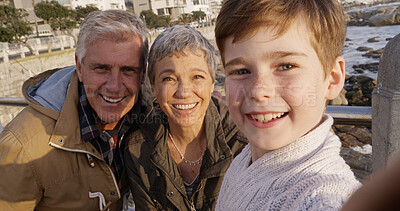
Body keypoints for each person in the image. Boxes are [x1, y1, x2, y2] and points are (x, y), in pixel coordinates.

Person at [214, 0, 361, 210]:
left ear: (333, 78)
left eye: (286, 66)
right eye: (241, 71)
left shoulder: (325, 198)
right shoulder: (246, 158)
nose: (258, 91)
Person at [0, 10, 148, 210]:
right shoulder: (22, 145)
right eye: (101, 68)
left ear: (143, 73)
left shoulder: (147, 117)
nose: (114, 86)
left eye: (128, 70)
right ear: (79, 67)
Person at [124, 25, 247, 210]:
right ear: (153, 86)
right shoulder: (138, 149)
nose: (183, 92)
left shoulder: (244, 140)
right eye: (169, 79)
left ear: (212, 82)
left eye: (197, 77)